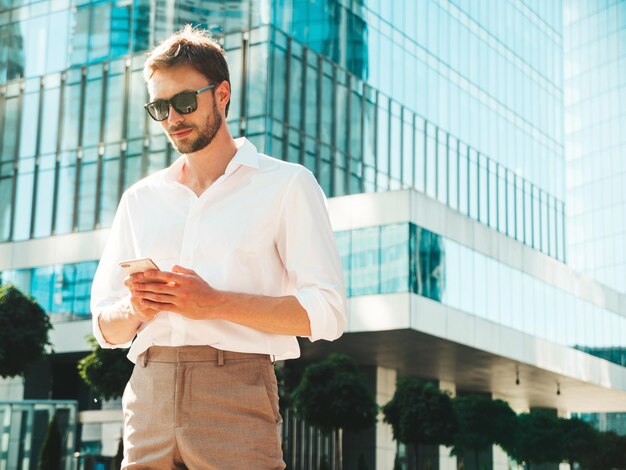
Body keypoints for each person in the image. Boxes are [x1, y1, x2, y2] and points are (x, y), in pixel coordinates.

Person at [90, 24, 346, 470]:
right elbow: (104, 327)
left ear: (221, 94)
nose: (173, 118)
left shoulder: (287, 185)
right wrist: (138, 308)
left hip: (236, 390)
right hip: (148, 393)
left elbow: (327, 312)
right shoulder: (141, 198)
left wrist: (213, 303)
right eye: (160, 107)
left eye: (185, 102)